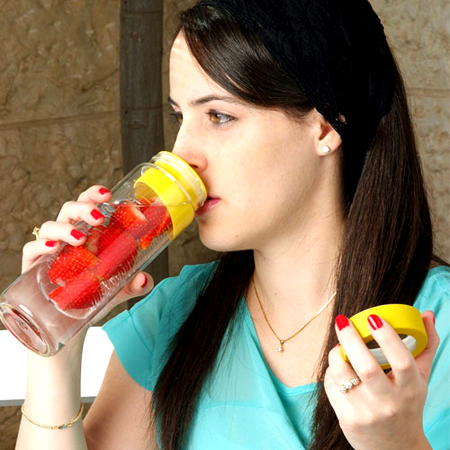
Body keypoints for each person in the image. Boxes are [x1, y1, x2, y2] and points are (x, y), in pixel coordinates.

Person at [15, 0, 450, 449]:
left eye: (219, 116)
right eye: (179, 117)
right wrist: (55, 342)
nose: (180, 155)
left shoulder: (437, 327)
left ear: (325, 127)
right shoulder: (175, 315)